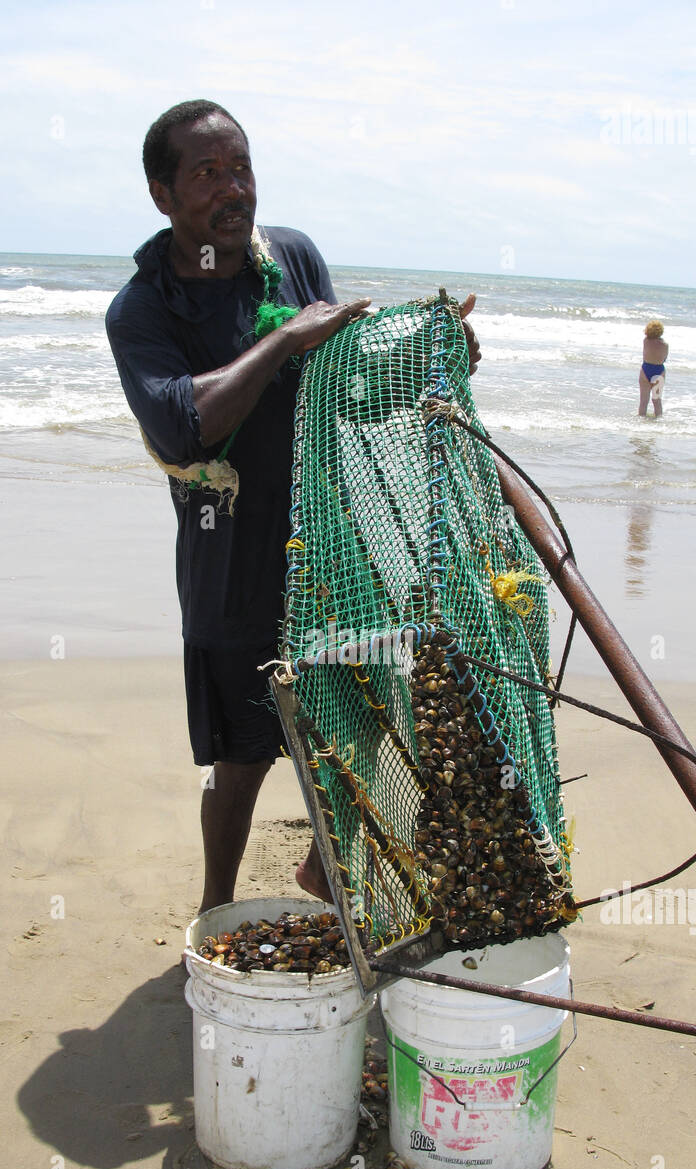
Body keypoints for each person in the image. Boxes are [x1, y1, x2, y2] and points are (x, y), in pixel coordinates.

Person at [105, 100, 481, 915]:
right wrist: (281, 341)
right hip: (229, 557)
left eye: (240, 168)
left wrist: (432, 360)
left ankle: (321, 866)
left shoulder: (293, 257)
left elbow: (344, 387)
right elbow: (182, 423)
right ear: (162, 194)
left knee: (363, 711)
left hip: (329, 548)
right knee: (243, 755)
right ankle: (214, 907)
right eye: (206, 173)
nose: (232, 188)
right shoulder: (143, 310)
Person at [639, 319, 669, 418]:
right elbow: (664, 359)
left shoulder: (646, 341)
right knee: (657, 400)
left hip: (646, 369)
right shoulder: (665, 345)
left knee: (644, 400)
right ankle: (659, 420)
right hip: (659, 371)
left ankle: (640, 420)